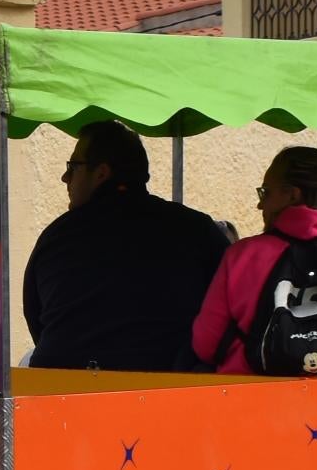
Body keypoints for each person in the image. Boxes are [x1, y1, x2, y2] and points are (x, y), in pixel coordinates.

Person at [20, 122, 227, 371]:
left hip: (63, 384)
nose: (65, 178)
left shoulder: (57, 235)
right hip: (167, 384)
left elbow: (34, 316)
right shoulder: (197, 229)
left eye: (72, 167)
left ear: (101, 173)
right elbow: (229, 311)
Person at [188, 147, 317, 376]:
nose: (259, 205)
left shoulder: (241, 255)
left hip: (252, 391)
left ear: (293, 195)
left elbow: (207, 344)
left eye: (265, 192)